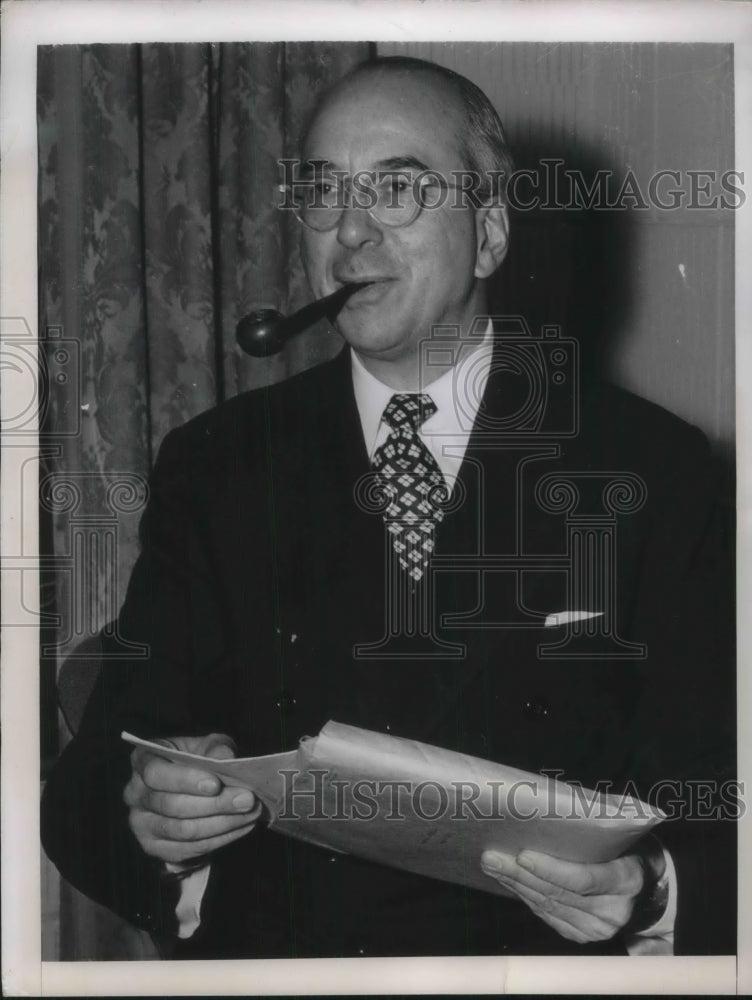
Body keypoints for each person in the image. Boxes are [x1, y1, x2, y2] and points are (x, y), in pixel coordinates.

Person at [41, 56, 735, 959]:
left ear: (489, 232)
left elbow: (720, 783)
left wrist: (653, 892)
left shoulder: (653, 467)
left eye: (398, 188)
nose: (350, 233)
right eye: (323, 192)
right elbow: (89, 785)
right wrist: (157, 820)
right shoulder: (217, 466)